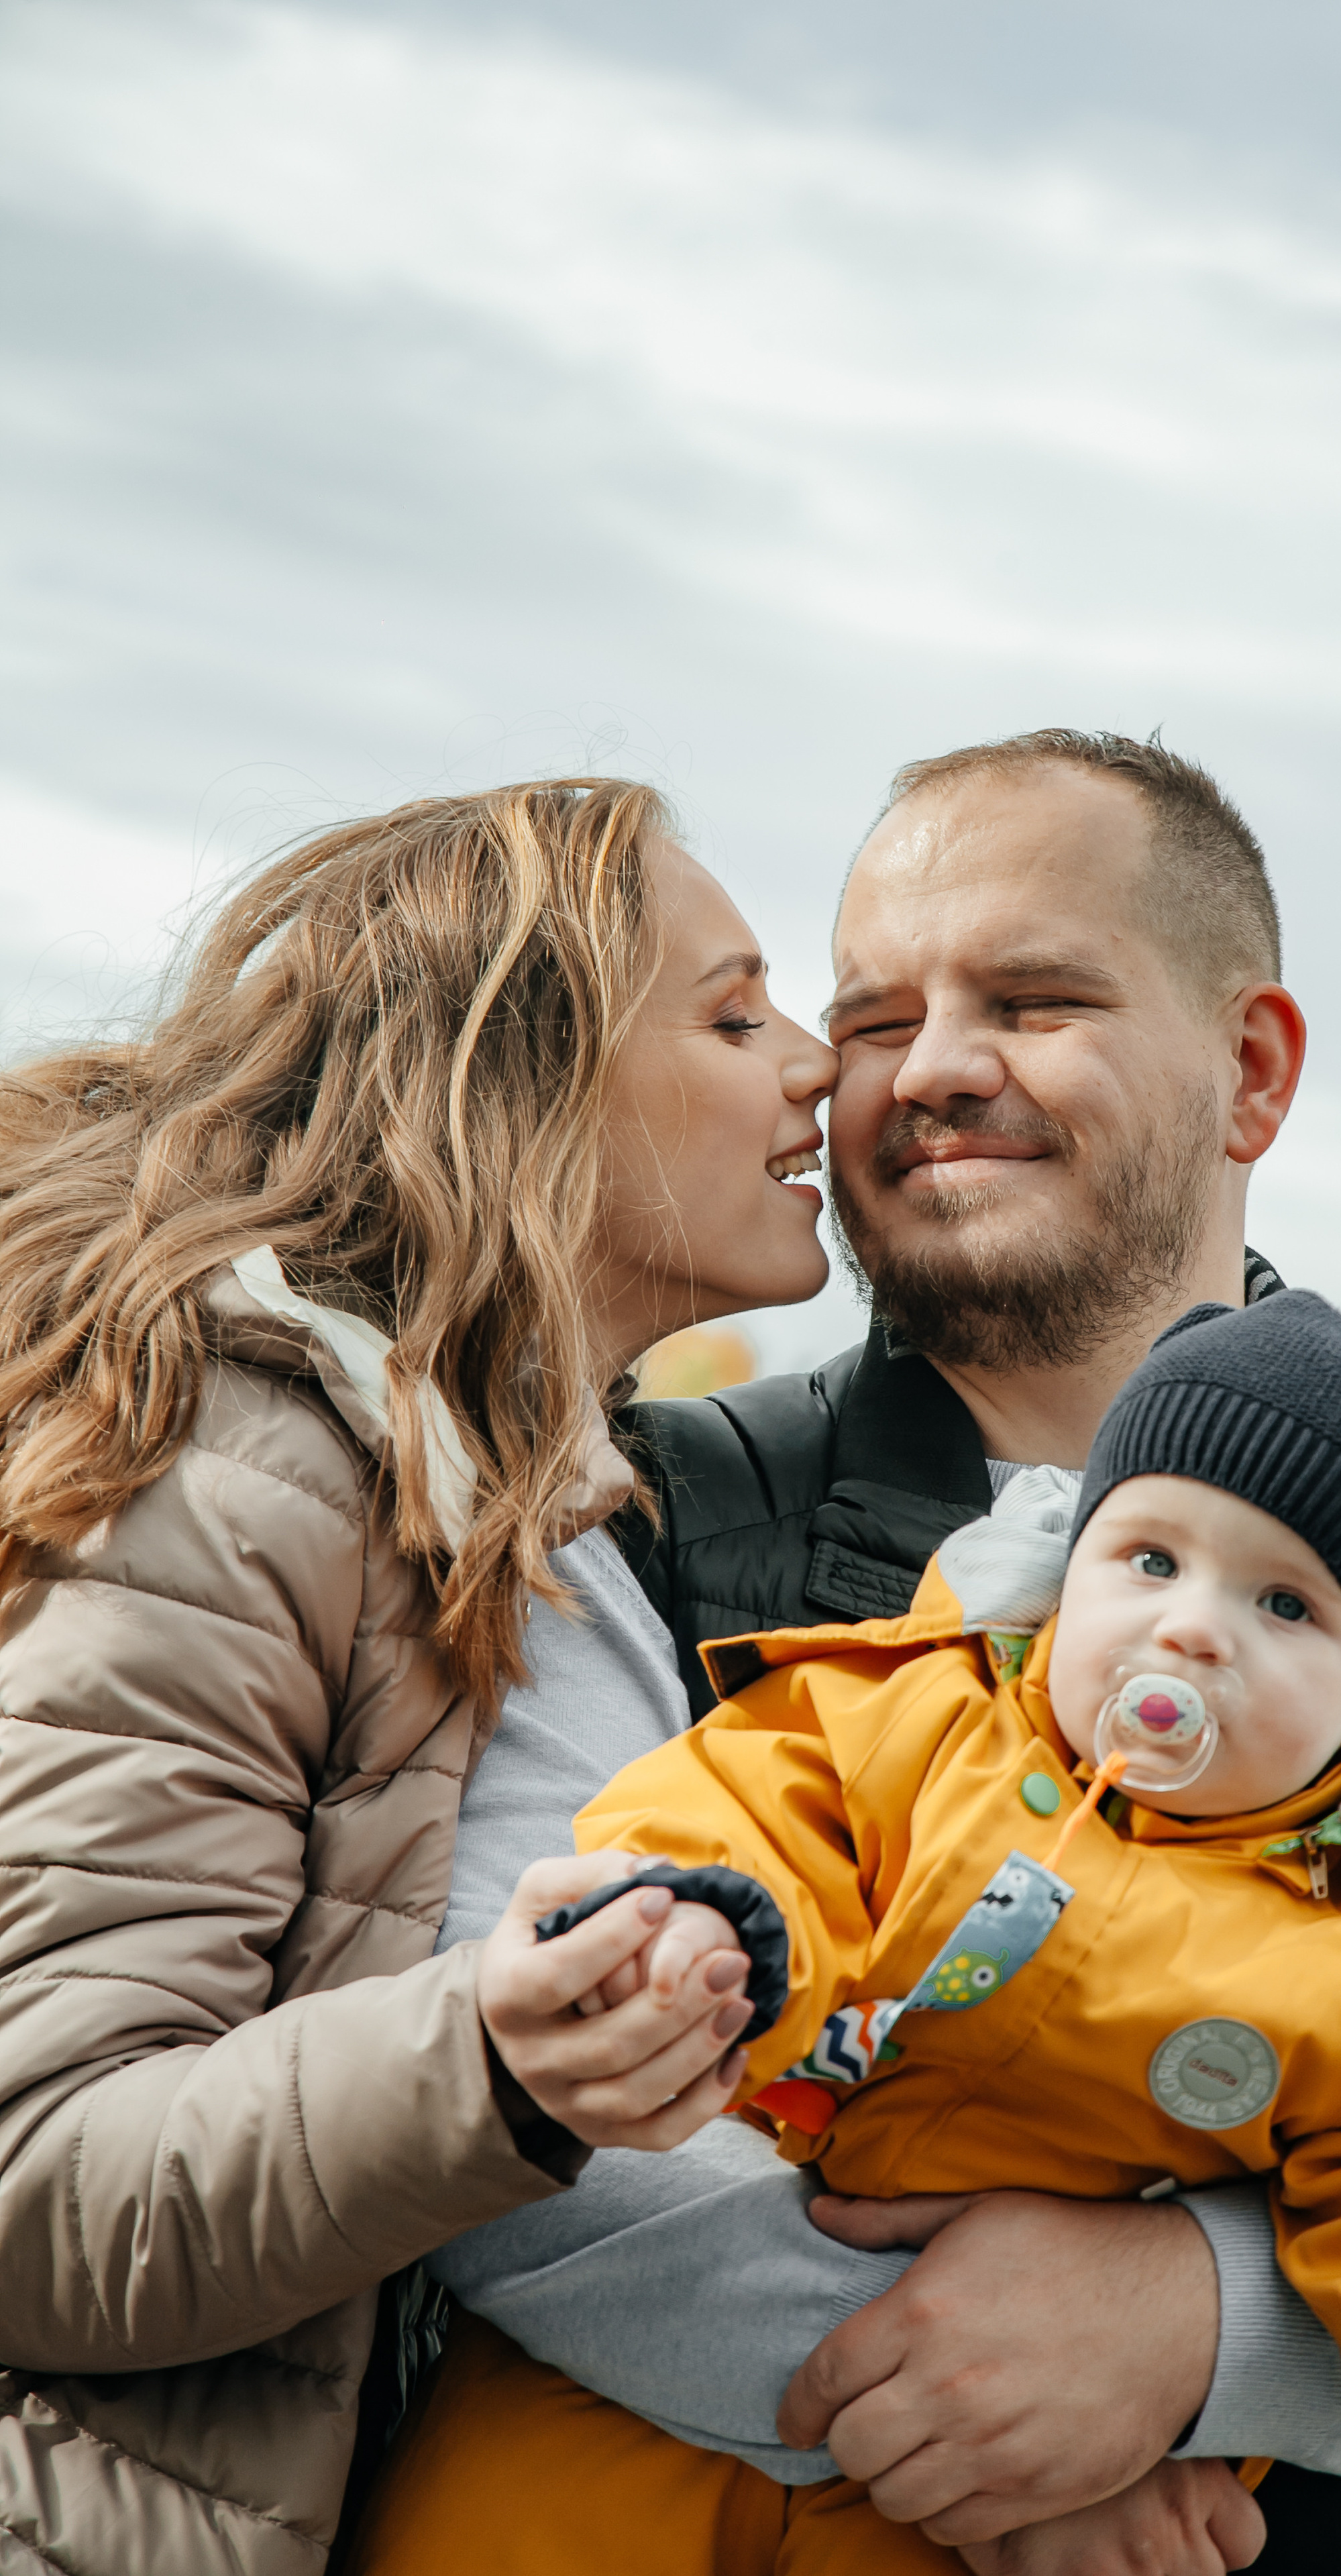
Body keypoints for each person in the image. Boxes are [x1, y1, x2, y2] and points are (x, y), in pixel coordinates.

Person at [375, 732, 1341, 2576]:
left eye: (1033, 998)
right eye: (871, 1018)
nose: (931, 1070)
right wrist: (977, 2419)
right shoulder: (635, 1519)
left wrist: (1193, 2332)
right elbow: (506, 2114)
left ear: (1250, 1072)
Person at [0, 776, 842, 2575]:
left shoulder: (498, 1504)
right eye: (735, 1011)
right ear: (527, 1080)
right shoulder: (239, 1472)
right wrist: (487, 2066)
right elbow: (36, 2181)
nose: (819, 1059)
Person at [551, 1290, 1341, 2576]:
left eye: (1286, 1608)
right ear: (1067, 1558)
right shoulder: (923, 1714)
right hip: (677, 2395)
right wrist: (697, 1934)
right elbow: (755, 1808)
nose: (1193, 1626)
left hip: (1075, 2489)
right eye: (1151, 1561)